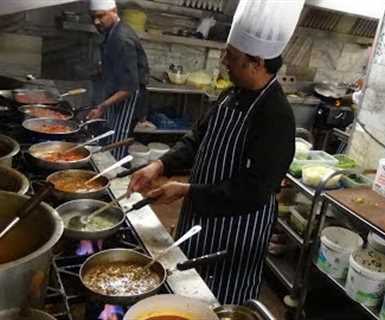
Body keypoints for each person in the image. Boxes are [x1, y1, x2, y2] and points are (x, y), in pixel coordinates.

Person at [128, 0, 305, 305]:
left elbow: (253, 191)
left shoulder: (275, 115)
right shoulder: (232, 93)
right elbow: (197, 139)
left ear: (257, 62)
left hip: (234, 234)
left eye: (232, 56)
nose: (224, 61)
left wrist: (186, 190)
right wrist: (160, 165)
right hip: (199, 215)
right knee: (185, 289)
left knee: (217, 304)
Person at [87, 0, 150, 159]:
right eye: (93, 17)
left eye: (100, 16)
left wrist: (102, 107)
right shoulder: (112, 32)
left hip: (129, 98)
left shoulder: (121, 38)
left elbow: (129, 87)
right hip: (118, 96)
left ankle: (115, 177)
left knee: (117, 143)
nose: (96, 21)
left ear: (114, 11)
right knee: (108, 136)